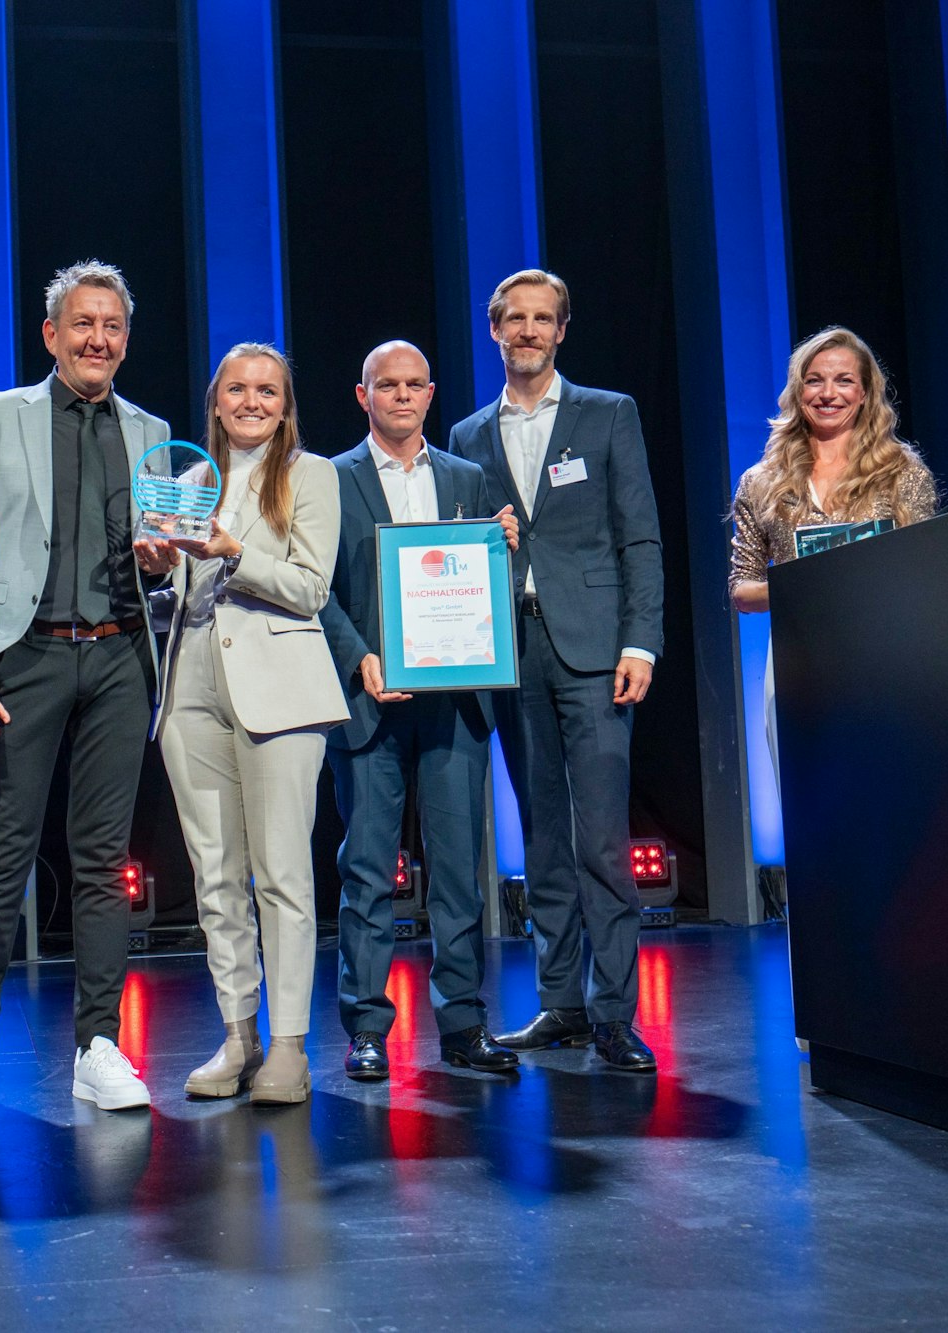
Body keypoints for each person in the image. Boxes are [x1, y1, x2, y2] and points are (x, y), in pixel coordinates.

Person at [0, 261, 171, 1113]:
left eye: (112, 326)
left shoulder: (151, 427)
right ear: (51, 334)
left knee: (102, 860)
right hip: (23, 657)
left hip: (120, 659)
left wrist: (161, 565)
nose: (97, 339)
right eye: (82, 324)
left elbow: (164, 549)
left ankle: (99, 1044)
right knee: (4, 855)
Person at [449, 269, 664, 1074]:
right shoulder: (469, 435)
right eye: (515, 319)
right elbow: (455, 546)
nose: (529, 331)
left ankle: (615, 1012)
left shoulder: (609, 415)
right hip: (513, 651)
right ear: (495, 329)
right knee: (539, 835)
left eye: (544, 319)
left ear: (562, 330)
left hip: (597, 650)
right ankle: (562, 1001)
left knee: (602, 839)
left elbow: (639, 535)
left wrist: (641, 642)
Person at [137, 344, 347, 1104]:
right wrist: (158, 566)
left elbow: (311, 588)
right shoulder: (190, 479)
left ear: (285, 405)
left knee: (284, 873)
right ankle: (239, 1034)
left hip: (282, 687)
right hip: (191, 681)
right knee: (216, 873)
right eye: (238, 389)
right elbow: (173, 593)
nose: (252, 401)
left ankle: (288, 1043)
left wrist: (234, 551)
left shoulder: (310, 475)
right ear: (215, 400)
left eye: (268, 391)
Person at [322, 340, 521, 1081]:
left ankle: (464, 1023)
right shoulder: (329, 480)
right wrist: (357, 656)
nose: (401, 396)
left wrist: (505, 550)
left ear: (431, 394)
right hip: (369, 702)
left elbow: (490, 588)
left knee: (458, 873)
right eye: (387, 385)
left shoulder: (467, 478)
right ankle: (367, 1026)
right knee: (369, 868)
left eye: (413, 385)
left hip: (455, 704)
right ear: (363, 393)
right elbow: (317, 587)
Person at [729, 326, 938, 763]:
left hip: (887, 659)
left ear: (865, 393)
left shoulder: (902, 473)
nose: (828, 393)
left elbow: (928, 571)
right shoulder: (761, 481)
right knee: (811, 803)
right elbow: (742, 591)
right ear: (797, 389)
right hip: (797, 664)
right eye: (814, 380)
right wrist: (803, 587)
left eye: (844, 380)